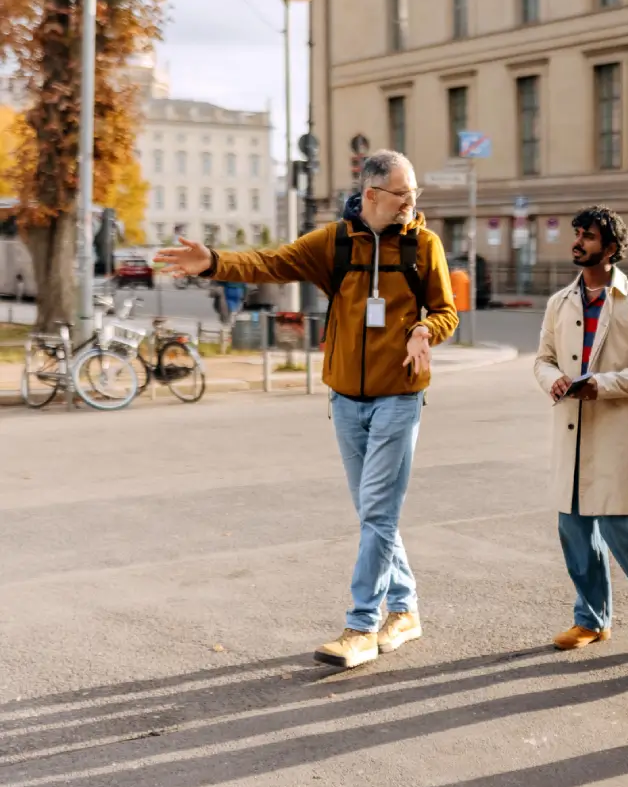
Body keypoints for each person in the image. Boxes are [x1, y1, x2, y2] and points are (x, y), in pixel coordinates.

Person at [156, 150, 458, 668]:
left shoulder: (423, 246)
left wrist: (425, 331)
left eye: (415, 195)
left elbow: (447, 309)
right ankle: (404, 610)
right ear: (372, 196)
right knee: (373, 515)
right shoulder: (335, 243)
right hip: (345, 399)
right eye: (402, 195)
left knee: (379, 513)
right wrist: (215, 263)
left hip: (399, 397)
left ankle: (362, 626)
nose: (412, 203)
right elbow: (272, 262)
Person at [533, 207, 628, 651]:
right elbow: (542, 358)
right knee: (574, 527)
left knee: (622, 527)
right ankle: (592, 619)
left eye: (589, 236)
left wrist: (601, 385)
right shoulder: (559, 302)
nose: (578, 242)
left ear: (611, 248)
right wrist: (553, 379)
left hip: (617, 429)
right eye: (577, 234)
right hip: (571, 429)